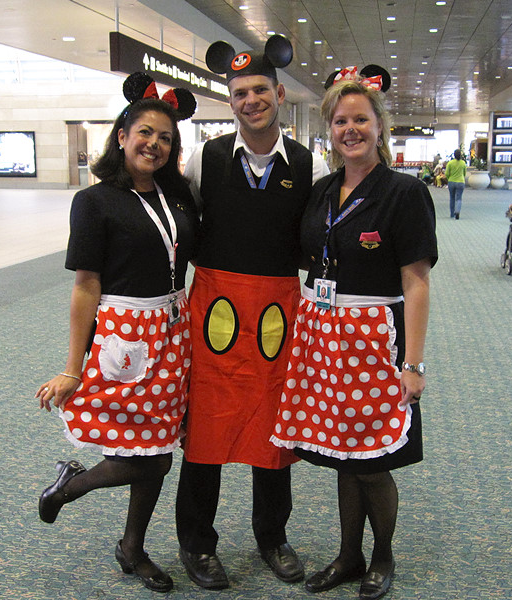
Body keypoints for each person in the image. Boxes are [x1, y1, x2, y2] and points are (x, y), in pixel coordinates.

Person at [271, 74, 437, 600]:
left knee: (373, 461)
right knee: (345, 454)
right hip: (324, 337)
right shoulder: (322, 190)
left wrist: (413, 363)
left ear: (380, 125)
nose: (351, 130)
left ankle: (381, 556)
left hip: (375, 340)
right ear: (330, 129)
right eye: (341, 121)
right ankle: (348, 555)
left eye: (360, 119)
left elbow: (416, 283)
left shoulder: (405, 192)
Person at [176, 35, 329, 590]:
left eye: (259, 90)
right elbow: (179, 228)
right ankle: (197, 542)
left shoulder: (309, 168)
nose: (250, 100)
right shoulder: (205, 159)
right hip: (213, 309)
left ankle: (273, 537)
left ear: (279, 93)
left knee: (273, 428)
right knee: (206, 431)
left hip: (277, 316)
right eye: (240, 93)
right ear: (231, 100)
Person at [34, 73, 197, 594]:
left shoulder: (175, 195)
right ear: (122, 136)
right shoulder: (96, 201)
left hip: (174, 329)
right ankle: (70, 486)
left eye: (166, 137)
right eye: (145, 133)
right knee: (133, 455)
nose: (154, 144)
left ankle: (132, 547)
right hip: (125, 333)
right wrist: (71, 367)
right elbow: (86, 287)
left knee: (159, 452)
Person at [445, 149, 466, 219]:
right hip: (460, 182)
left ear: (454, 155)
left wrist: (449, 178)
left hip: (451, 181)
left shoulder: (450, 163)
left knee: (452, 198)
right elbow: (464, 173)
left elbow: (446, 173)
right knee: (459, 198)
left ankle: (452, 213)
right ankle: (457, 211)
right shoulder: (463, 163)